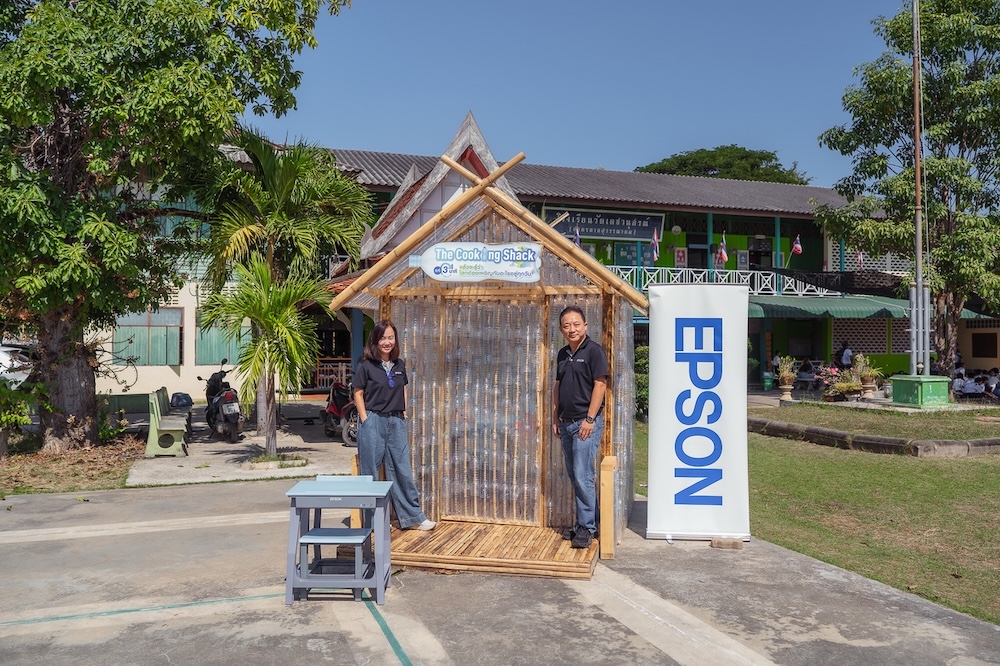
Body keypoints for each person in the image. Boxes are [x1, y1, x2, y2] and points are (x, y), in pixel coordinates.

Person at [353, 320, 435, 531]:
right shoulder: (366, 365)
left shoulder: (399, 364)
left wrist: (404, 411)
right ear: (375, 340)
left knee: (402, 469)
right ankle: (374, 522)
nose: (387, 342)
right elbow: (358, 393)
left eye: (390, 337)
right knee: (370, 473)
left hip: (396, 421)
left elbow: (403, 388)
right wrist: (365, 419)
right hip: (373, 420)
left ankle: (413, 517)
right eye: (382, 338)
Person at [552, 305, 608, 550]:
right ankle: (589, 521)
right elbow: (558, 386)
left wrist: (590, 419)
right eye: (567, 325)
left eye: (576, 324)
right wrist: (555, 417)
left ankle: (586, 528)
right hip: (566, 422)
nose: (572, 329)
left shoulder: (594, 351)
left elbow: (600, 385)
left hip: (585, 423)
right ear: (561, 330)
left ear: (585, 326)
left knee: (583, 474)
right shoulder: (563, 354)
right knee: (577, 475)